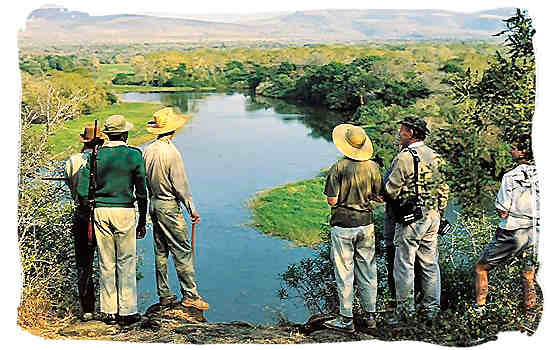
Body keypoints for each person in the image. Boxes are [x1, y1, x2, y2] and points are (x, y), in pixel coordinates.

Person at [77, 115, 148, 326]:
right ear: (125, 133)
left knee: (106, 261)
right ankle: (128, 311)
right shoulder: (134, 155)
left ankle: (108, 311)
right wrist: (142, 219)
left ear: (107, 134)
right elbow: (142, 192)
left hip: (100, 211)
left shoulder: (94, 156)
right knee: (125, 260)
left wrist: (90, 205)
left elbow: (82, 190)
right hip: (125, 210)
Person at [384, 115, 449, 325]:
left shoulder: (404, 157)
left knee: (404, 264)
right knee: (430, 263)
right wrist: (440, 213)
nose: (399, 133)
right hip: (433, 215)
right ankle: (431, 311)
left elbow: (391, 191)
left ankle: (405, 313)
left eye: (402, 130)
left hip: (412, 218)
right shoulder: (436, 156)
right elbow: (443, 190)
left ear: (410, 133)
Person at [143, 107, 209, 311]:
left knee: (160, 250)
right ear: (172, 131)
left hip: (153, 204)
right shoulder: (172, 152)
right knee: (182, 250)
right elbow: (180, 186)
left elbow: (144, 180)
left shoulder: (147, 150)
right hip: (169, 206)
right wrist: (191, 209)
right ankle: (190, 295)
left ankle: (164, 294)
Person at [322, 124, 382, 333]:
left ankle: (346, 319)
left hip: (343, 225)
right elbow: (378, 196)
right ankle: (370, 316)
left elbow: (332, 200)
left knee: (344, 272)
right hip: (366, 224)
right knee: (368, 270)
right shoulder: (373, 167)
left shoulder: (338, 167)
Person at [473, 135, 539, 315]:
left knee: (481, 267)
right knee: (528, 274)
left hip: (514, 230)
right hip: (538, 230)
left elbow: (502, 210)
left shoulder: (511, 176)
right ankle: (529, 316)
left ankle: (479, 312)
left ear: (524, 151)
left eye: (514, 148)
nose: (511, 151)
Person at [64, 125, 105, 321]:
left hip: (80, 215)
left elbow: (71, 186)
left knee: (83, 264)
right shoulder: (104, 161)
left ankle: (87, 308)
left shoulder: (73, 161)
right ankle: (109, 308)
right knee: (108, 262)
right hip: (101, 215)